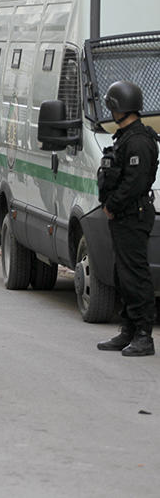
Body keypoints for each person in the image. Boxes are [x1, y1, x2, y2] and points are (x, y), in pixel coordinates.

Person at [97, 80, 159, 356]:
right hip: (124, 215)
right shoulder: (125, 138)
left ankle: (144, 335)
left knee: (135, 275)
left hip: (133, 214)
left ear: (119, 108)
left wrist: (112, 204)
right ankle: (129, 330)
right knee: (123, 274)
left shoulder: (139, 141)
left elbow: (134, 182)